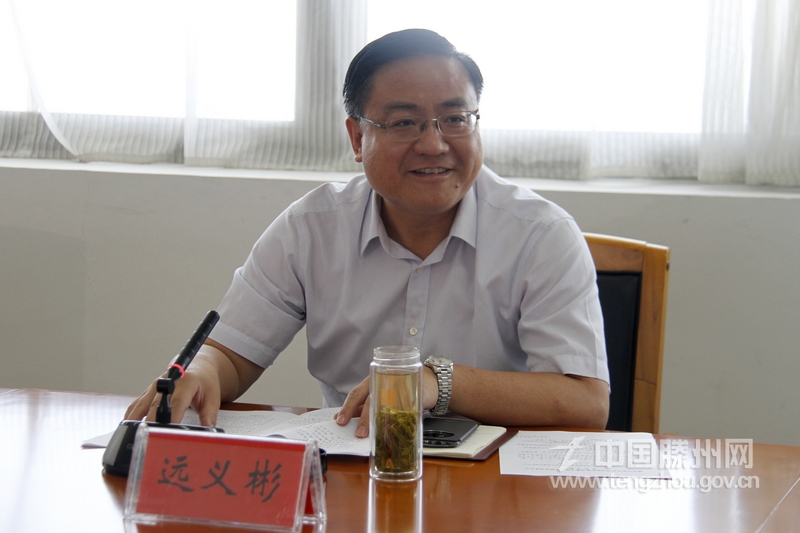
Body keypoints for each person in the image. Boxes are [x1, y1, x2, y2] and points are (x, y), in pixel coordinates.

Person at [125, 29, 610, 436]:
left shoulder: (541, 235)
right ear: (358, 138)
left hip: (496, 487)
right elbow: (230, 355)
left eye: (455, 119)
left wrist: (434, 382)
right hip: (351, 470)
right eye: (404, 123)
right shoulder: (311, 229)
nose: (434, 144)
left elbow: (586, 402)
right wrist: (200, 370)